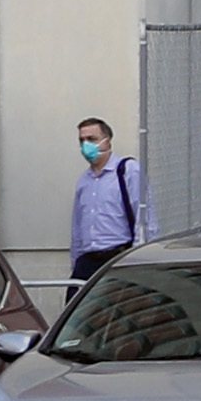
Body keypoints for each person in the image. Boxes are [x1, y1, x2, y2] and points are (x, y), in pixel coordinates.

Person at [69, 119, 153, 282]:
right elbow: (77, 227)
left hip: (118, 256)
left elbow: (145, 216)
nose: (86, 145)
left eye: (92, 139)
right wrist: (76, 262)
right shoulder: (84, 181)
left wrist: (140, 259)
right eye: (82, 140)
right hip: (88, 261)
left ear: (107, 141)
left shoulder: (128, 171)